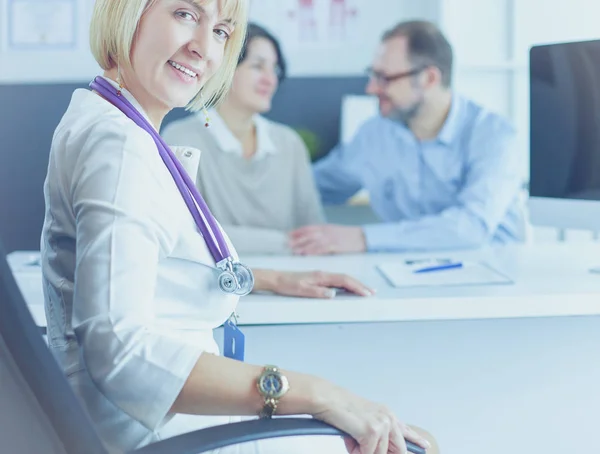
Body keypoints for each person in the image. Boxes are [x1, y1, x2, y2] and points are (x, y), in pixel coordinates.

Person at [39, 1, 433, 453]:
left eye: (222, 32)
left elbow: (157, 265)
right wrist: (318, 394)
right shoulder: (119, 146)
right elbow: (120, 351)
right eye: (185, 14)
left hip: (161, 424)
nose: (205, 49)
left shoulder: (112, 119)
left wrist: (270, 278)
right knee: (414, 445)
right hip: (163, 434)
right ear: (128, 12)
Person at [289, 20, 528, 255]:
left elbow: (471, 228)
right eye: (372, 75)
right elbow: (316, 187)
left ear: (429, 79)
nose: (371, 88)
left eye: (384, 78)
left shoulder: (494, 135)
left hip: (495, 274)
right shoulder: (375, 134)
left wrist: (363, 237)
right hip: (409, 273)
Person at [162, 22, 324, 256]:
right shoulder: (182, 139)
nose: (271, 79)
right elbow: (188, 235)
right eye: (258, 66)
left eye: (275, 69)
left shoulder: (289, 143)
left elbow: (315, 234)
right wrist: (285, 243)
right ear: (226, 68)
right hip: (217, 283)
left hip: (295, 282)